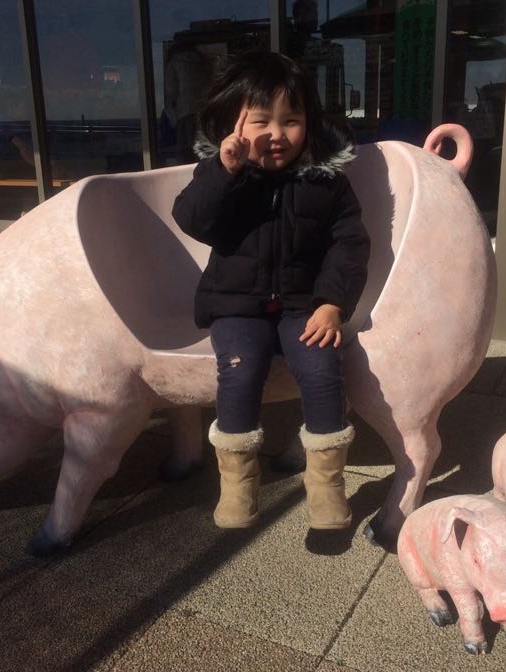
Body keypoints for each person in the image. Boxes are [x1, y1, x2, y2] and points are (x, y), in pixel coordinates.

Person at [172, 51, 370, 531]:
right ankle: (238, 484)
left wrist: (333, 303)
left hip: (305, 304)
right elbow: (192, 219)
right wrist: (225, 171)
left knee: (322, 369)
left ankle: (326, 485)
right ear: (235, 124)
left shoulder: (327, 182)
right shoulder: (224, 172)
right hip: (236, 304)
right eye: (261, 121)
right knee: (240, 371)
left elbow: (349, 244)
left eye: (291, 121)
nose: (277, 134)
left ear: (310, 123)